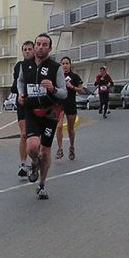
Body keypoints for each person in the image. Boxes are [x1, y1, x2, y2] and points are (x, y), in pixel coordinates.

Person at [16, 33, 67, 200]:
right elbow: (21, 81)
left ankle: (42, 184)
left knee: (45, 150)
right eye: (38, 44)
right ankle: (35, 162)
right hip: (31, 110)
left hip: (49, 113)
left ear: (50, 48)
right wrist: (20, 94)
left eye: (44, 44)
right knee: (32, 146)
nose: (40, 47)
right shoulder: (25, 65)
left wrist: (52, 88)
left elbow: (64, 93)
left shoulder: (55, 67)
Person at [13, 40, 35, 178]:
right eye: (25, 49)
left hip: (36, 102)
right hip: (22, 101)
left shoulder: (39, 65)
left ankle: (35, 162)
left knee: (33, 136)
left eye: (29, 49)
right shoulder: (18, 66)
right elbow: (17, 83)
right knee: (24, 134)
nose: (27, 51)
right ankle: (23, 163)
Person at [56, 56, 83, 160]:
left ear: (70, 65)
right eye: (63, 63)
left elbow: (82, 90)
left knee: (70, 129)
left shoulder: (74, 76)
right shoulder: (58, 77)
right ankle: (60, 149)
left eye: (67, 63)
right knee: (58, 127)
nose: (65, 65)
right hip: (60, 105)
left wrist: (72, 87)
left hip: (71, 104)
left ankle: (71, 147)